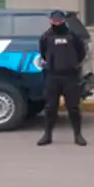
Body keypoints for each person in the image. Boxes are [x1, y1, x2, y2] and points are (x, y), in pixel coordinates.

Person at [37, 10, 88, 147]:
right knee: (50, 108)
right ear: (51, 21)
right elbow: (42, 53)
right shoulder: (46, 37)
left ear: (64, 21)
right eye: (55, 21)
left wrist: (74, 66)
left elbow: (82, 52)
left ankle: (78, 135)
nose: (57, 23)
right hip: (52, 77)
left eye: (59, 20)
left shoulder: (73, 36)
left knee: (73, 108)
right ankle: (47, 135)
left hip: (70, 77)